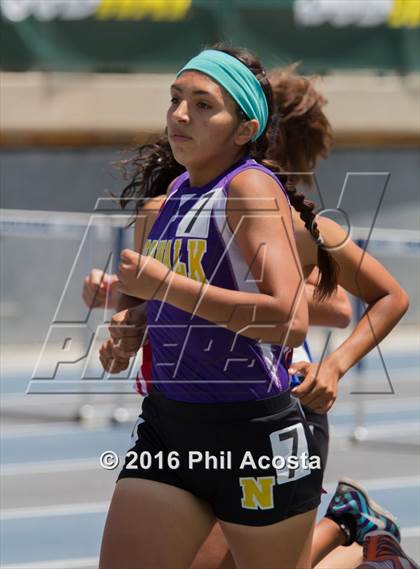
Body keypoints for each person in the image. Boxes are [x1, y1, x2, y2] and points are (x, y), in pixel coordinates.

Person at [93, 48, 409, 569]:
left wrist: (332, 365)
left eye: (201, 105)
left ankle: (352, 533)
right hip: (169, 426)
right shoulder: (168, 199)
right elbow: (167, 306)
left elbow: (291, 320)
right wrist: (129, 329)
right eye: (175, 100)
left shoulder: (251, 189)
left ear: (246, 131)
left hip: (253, 431)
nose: (178, 114)